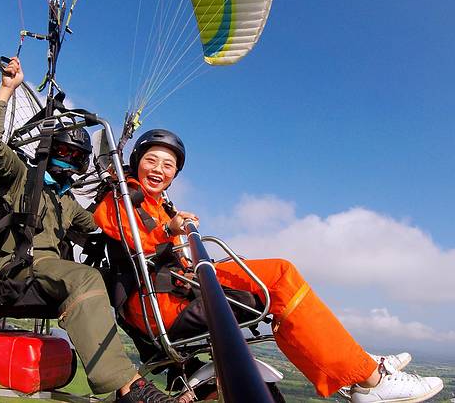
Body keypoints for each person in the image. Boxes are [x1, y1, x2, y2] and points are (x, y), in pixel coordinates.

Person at [93, 128, 444, 402]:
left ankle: (357, 364)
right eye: (152, 160)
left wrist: (174, 229)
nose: (159, 169)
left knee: (276, 275)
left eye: (168, 165)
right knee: (279, 276)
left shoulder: (154, 203)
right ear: (137, 161)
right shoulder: (120, 197)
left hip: (178, 285)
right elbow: (130, 237)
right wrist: (171, 230)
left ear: (174, 175)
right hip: (164, 302)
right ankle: (368, 378)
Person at [0, 58, 177, 403]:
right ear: (49, 150)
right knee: (85, 277)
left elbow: (100, 224)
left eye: (78, 157)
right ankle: (128, 387)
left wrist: (130, 195)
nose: (70, 162)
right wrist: (7, 89)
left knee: (119, 281)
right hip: (18, 267)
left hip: (49, 270)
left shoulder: (65, 202)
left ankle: (168, 360)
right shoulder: (21, 177)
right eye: (64, 152)